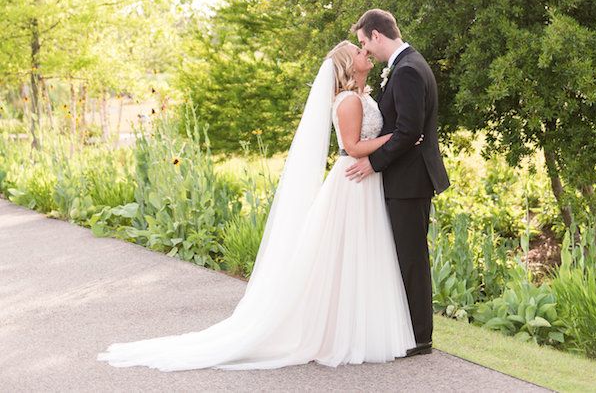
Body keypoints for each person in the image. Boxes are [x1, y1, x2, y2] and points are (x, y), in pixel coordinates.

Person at [97, 40, 419, 372]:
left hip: (365, 181)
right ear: (347, 65)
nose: (364, 52)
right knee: (345, 257)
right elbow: (352, 146)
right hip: (352, 182)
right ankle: (336, 333)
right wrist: (398, 139)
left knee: (359, 256)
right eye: (358, 51)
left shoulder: (364, 97)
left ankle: (357, 330)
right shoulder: (349, 100)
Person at [346, 9, 450, 356]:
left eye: (364, 42)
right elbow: (404, 129)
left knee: (411, 258)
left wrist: (373, 162)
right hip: (407, 177)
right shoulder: (407, 65)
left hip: (409, 180)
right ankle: (408, 331)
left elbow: (409, 130)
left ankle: (419, 338)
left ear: (377, 35)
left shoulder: (406, 70)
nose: (366, 50)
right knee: (405, 255)